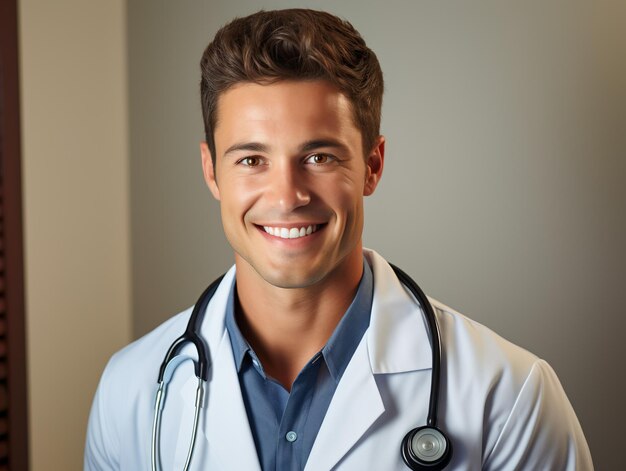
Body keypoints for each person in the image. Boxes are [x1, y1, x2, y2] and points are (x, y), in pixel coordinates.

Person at [85, 9, 593, 470]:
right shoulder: (130, 390)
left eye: (319, 157)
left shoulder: (508, 398)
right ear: (211, 172)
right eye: (251, 160)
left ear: (372, 166)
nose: (287, 196)